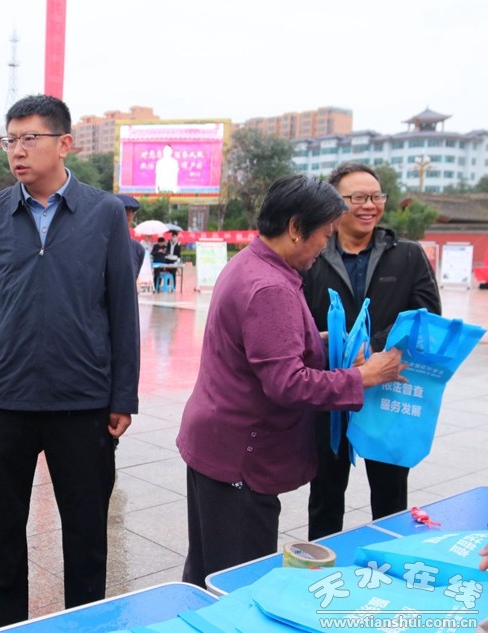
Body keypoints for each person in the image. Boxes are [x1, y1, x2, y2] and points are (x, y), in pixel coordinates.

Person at [175, 174, 408, 588]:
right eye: (324, 235)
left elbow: (265, 344)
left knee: (208, 569)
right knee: (236, 583)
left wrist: (323, 341)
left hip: (216, 441)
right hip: (241, 458)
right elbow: (288, 383)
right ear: (296, 227)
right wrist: (362, 376)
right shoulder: (271, 286)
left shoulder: (251, 263)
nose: (325, 245)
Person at [0, 94, 140, 630]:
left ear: (64, 144)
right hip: (3, 400)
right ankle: (6, 625)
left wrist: (122, 396)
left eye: (28, 139)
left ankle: (84, 624)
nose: (16, 150)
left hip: (82, 401)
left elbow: (121, 309)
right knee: (3, 533)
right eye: (10, 140)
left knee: (86, 534)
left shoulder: (104, 213)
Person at [303, 162, 441, 540]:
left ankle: (391, 560)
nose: (369, 205)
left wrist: (372, 348)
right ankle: (322, 566)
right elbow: (298, 319)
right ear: (334, 203)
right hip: (332, 389)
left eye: (376, 196)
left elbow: (428, 317)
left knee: (390, 495)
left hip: (388, 390)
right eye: (358, 197)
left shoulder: (408, 255)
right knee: (325, 494)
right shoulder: (314, 254)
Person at [116, 194, 146, 276]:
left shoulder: (138, 249)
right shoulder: (100, 245)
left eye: (127, 214)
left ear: (133, 216)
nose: (123, 218)